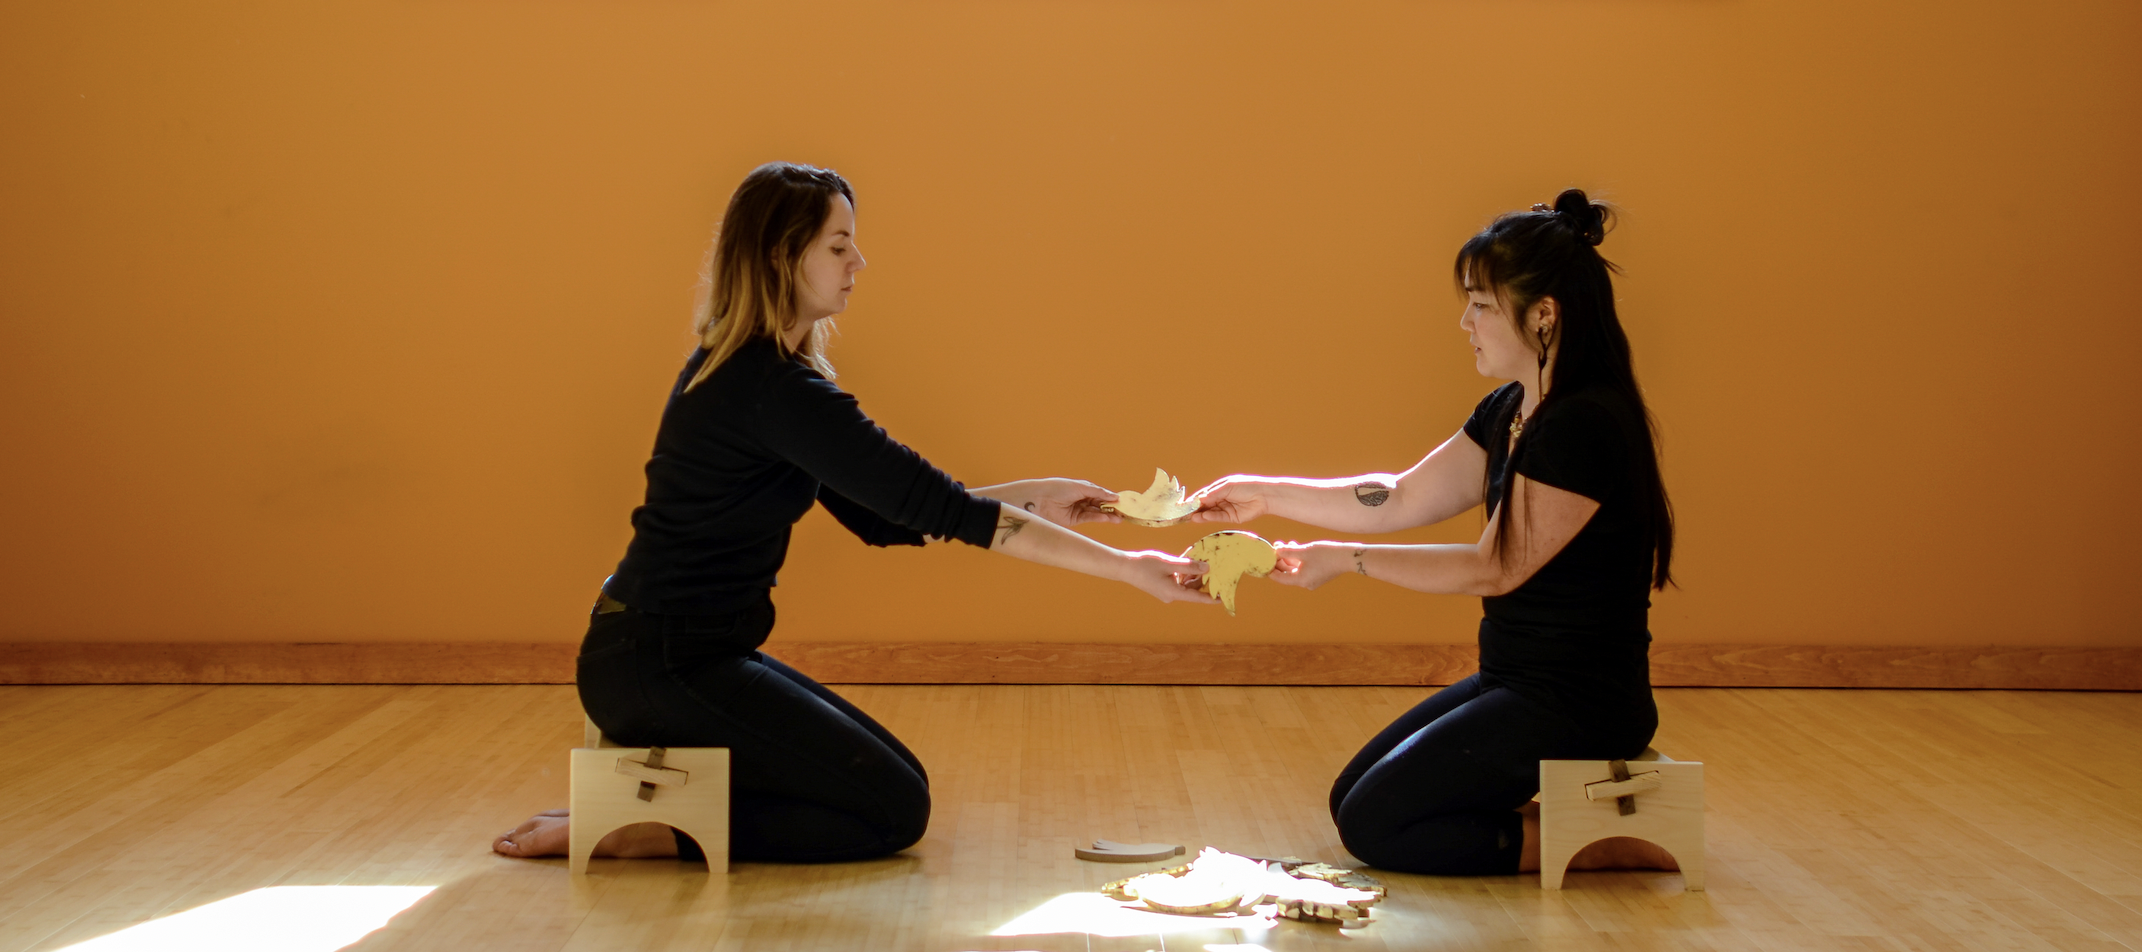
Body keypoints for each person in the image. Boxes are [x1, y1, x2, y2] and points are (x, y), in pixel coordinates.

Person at [495, 162, 1214, 865]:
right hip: (658, 665)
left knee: (898, 782)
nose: (858, 261)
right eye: (839, 246)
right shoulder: (769, 390)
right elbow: (941, 509)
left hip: (687, 654)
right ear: (782, 256)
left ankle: (637, 808)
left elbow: (889, 516)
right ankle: (648, 831)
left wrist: (1039, 496)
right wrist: (1130, 570)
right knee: (891, 812)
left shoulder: (769, 378)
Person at [1189, 189, 1677, 876]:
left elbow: (1493, 568)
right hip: (1514, 677)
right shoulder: (1512, 407)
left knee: (1376, 825)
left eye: (1481, 305)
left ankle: (1599, 839)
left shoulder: (1582, 424)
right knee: (1350, 799)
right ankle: (1565, 821)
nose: (1465, 322)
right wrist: (1264, 494)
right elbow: (1399, 496)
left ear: (1543, 315)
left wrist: (1343, 560)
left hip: (1581, 703)